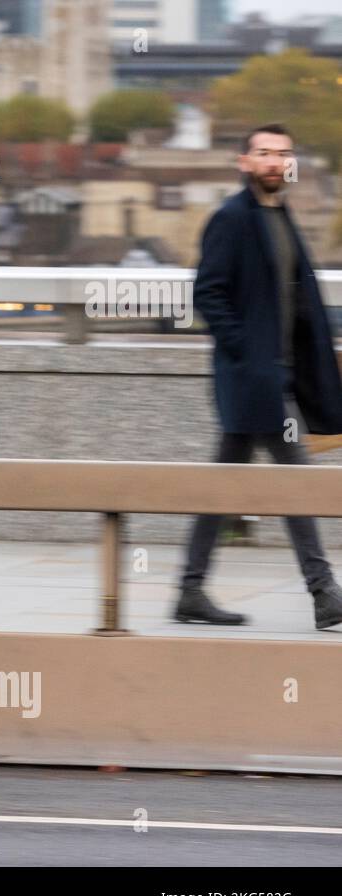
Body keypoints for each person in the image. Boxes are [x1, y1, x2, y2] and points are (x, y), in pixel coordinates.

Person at [177, 123, 342, 629]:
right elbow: (208, 293)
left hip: (274, 378)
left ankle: (190, 590)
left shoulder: (280, 217)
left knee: (224, 486)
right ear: (244, 162)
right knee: (294, 481)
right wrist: (249, 354)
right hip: (253, 381)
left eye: (283, 155)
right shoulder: (231, 218)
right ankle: (325, 593)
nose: (275, 162)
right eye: (264, 153)